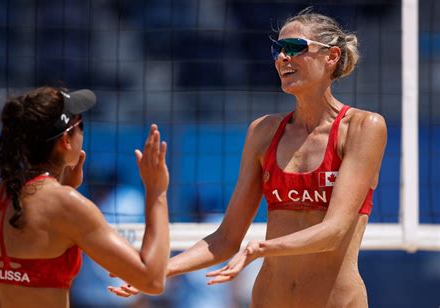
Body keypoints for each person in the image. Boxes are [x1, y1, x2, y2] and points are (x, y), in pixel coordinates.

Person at [110, 9, 387, 308]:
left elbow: (334, 231)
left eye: (294, 48)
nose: (283, 58)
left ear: (331, 56)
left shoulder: (363, 127)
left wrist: (261, 248)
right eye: (278, 49)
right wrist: (158, 269)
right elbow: (227, 238)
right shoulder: (264, 131)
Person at [0, 86, 170, 308]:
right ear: (65, 140)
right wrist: (157, 191)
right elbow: (152, 280)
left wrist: (64, 188)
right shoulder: (65, 205)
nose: (83, 134)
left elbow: (27, 268)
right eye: (81, 126)